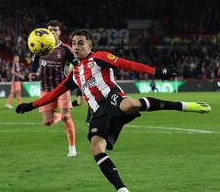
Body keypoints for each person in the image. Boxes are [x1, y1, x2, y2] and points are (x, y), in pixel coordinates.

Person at [16, 29, 211, 192]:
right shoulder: (74, 74)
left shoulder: (99, 57)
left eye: (81, 43)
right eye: (74, 44)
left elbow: (127, 64)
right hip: (98, 113)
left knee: (130, 105)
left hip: (111, 97)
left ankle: (184, 106)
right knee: (95, 148)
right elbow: (54, 93)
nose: (76, 47)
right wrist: (31, 105)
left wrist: (157, 72)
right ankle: (122, 189)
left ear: (89, 46)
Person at [28, 20, 79, 157]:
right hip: (45, 88)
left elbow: (77, 64)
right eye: (50, 29)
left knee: (67, 117)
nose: (52, 32)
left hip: (62, 87)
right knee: (47, 122)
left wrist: (77, 78)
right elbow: (34, 62)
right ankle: (60, 116)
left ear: (60, 32)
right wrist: (32, 72)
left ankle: (72, 148)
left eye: (55, 30)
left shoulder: (65, 49)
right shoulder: (41, 45)